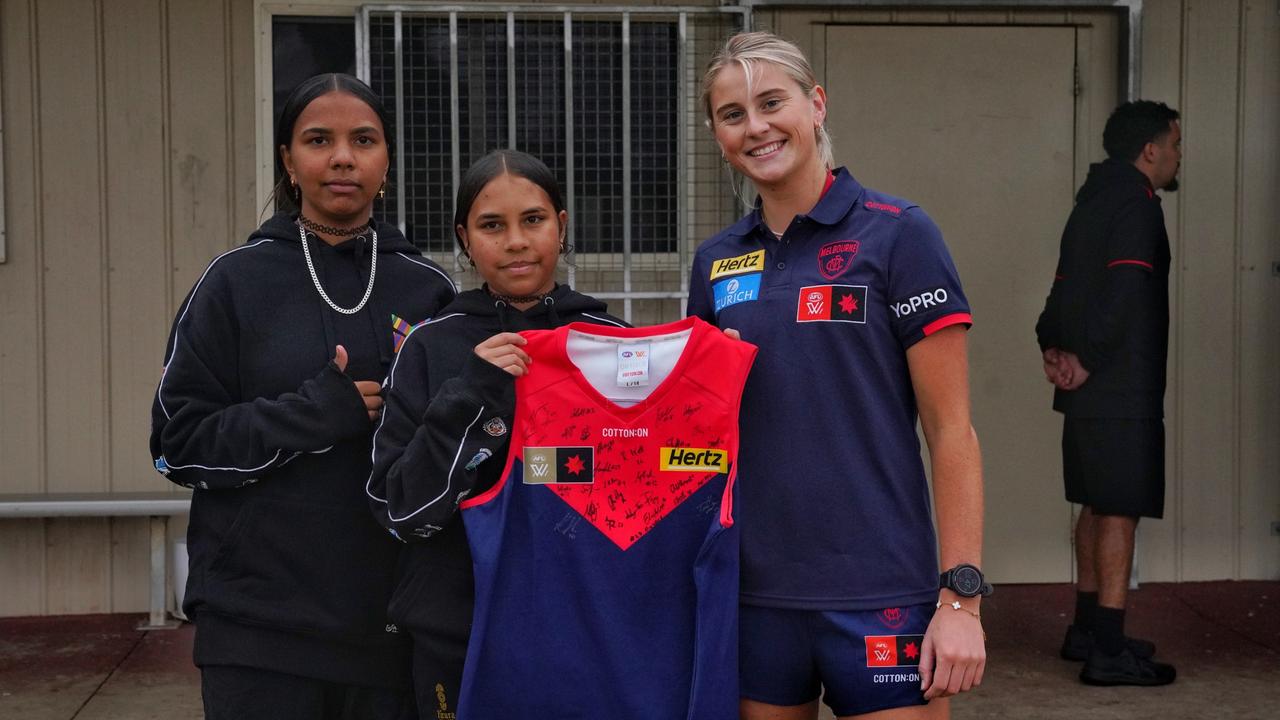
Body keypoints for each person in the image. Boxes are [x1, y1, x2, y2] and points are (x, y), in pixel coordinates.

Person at [688, 31, 987, 720]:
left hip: (881, 594)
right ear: (717, 134)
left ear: (815, 104)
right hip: (755, 595)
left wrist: (960, 599)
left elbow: (952, 432)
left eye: (772, 102)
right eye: (733, 115)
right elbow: (701, 436)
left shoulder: (900, 234)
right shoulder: (716, 262)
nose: (756, 127)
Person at [150, 73, 456, 719]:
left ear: (386, 160)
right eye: (319, 140)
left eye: (363, 140)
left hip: (388, 630)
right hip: (257, 630)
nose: (342, 157)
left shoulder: (428, 291)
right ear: (289, 160)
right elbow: (177, 446)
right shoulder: (234, 282)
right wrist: (314, 415)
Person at [365, 149, 627, 717]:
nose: (515, 241)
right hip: (457, 633)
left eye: (533, 219)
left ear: (562, 223)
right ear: (464, 238)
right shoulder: (430, 346)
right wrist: (473, 391)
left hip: (585, 632)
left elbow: (643, 490)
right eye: (492, 225)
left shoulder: (615, 344)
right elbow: (401, 509)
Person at [1035, 100, 1180, 687]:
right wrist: (1089, 360)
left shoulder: (1092, 197)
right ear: (1150, 149)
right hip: (1119, 385)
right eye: (1173, 145)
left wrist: (1053, 346)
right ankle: (1109, 650)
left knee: (1097, 501)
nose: (1176, 156)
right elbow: (1123, 290)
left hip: (1092, 383)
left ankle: (1088, 629)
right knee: (1118, 507)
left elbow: (1064, 281)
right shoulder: (1136, 203)